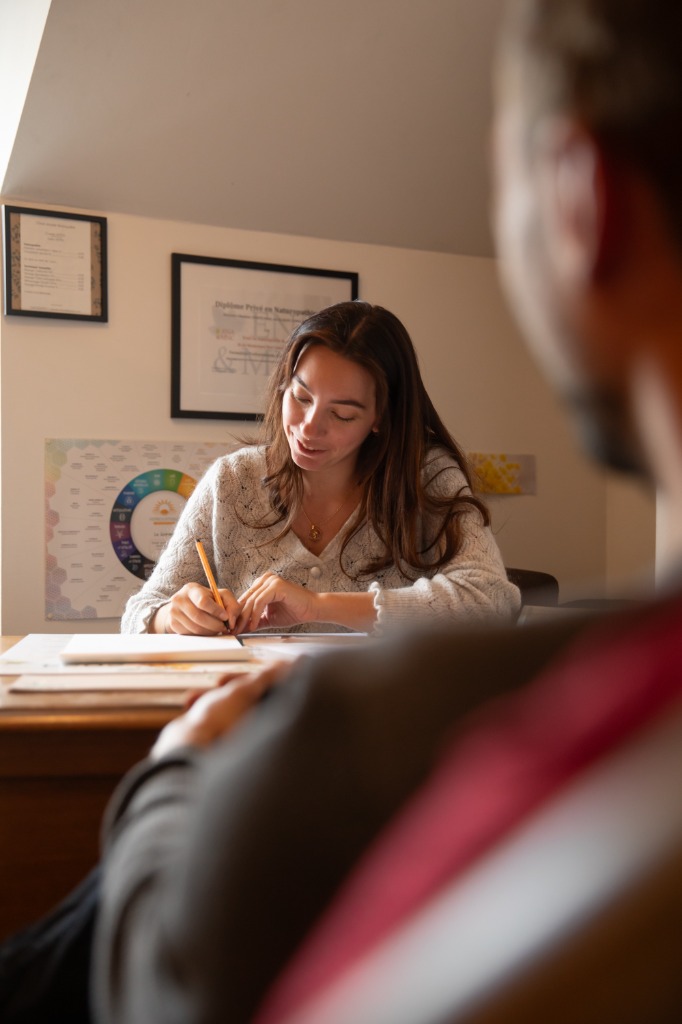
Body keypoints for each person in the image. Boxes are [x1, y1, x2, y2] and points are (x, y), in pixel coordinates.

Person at [122, 300, 519, 636]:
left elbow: (491, 599)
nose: (310, 427)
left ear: (381, 417)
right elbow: (139, 612)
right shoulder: (232, 480)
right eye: (300, 396)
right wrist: (168, 616)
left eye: (343, 414)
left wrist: (318, 606)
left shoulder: (425, 478)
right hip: (252, 712)